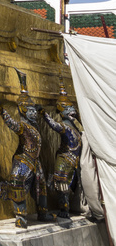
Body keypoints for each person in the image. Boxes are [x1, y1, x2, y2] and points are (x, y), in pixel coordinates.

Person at [0, 70, 52, 228]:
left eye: (33, 110)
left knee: (41, 187)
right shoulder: (22, 126)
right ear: (22, 110)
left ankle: (43, 212)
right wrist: (0, 108)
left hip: (35, 161)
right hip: (22, 160)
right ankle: (20, 215)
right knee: (17, 184)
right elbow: (11, 124)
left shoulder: (34, 125)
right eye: (29, 110)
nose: (33, 113)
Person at [41, 82, 82, 218]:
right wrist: (44, 115)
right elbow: (54, 126)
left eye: (71, 107)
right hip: (64, 160)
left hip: (74, 160)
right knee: (62, 186)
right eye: (66, 107)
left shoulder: (76, 127)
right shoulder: (64, 126)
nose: (71, 110)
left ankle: (75, 206)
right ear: (61, 110)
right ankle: (64, 209)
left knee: (75, 184)